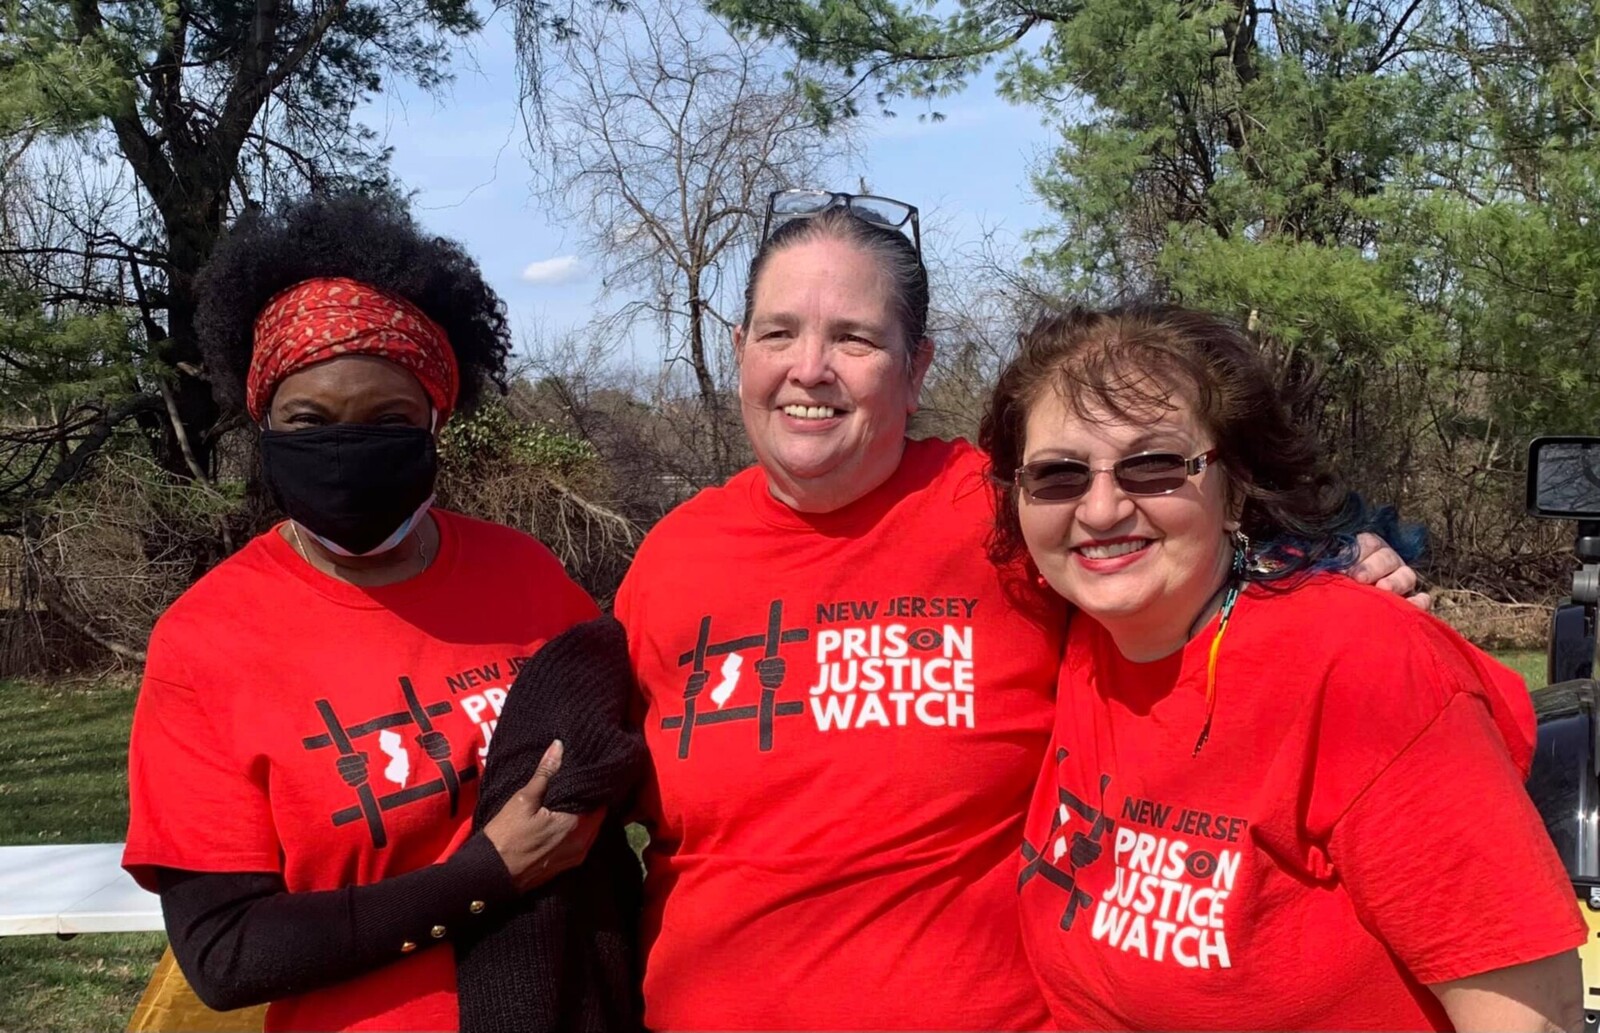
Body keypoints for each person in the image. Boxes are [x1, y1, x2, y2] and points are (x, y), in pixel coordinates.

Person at [614, 190, 1426, 1030]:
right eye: (779, 332)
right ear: (742, 349)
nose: (809, 367)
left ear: (918, 365)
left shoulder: (1018, 509)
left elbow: (1181, 550)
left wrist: (1325, 565)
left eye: (854, 337)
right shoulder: (670, 561)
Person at [981, 302, 1585, 1031]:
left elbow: (1531, 1016)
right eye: (1058, 476)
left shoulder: (1357, 663)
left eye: (1155, 465)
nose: (1102, 507)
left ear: (1233, 486)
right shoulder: (1083, 642)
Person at [122, 193, 642, 1033]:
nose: (346, 446)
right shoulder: (206, 641)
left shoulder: (527, 575)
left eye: (388, 420)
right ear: (264, 423)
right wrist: (485, 873)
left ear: (436, 421)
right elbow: (224, 953)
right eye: (310, 420)